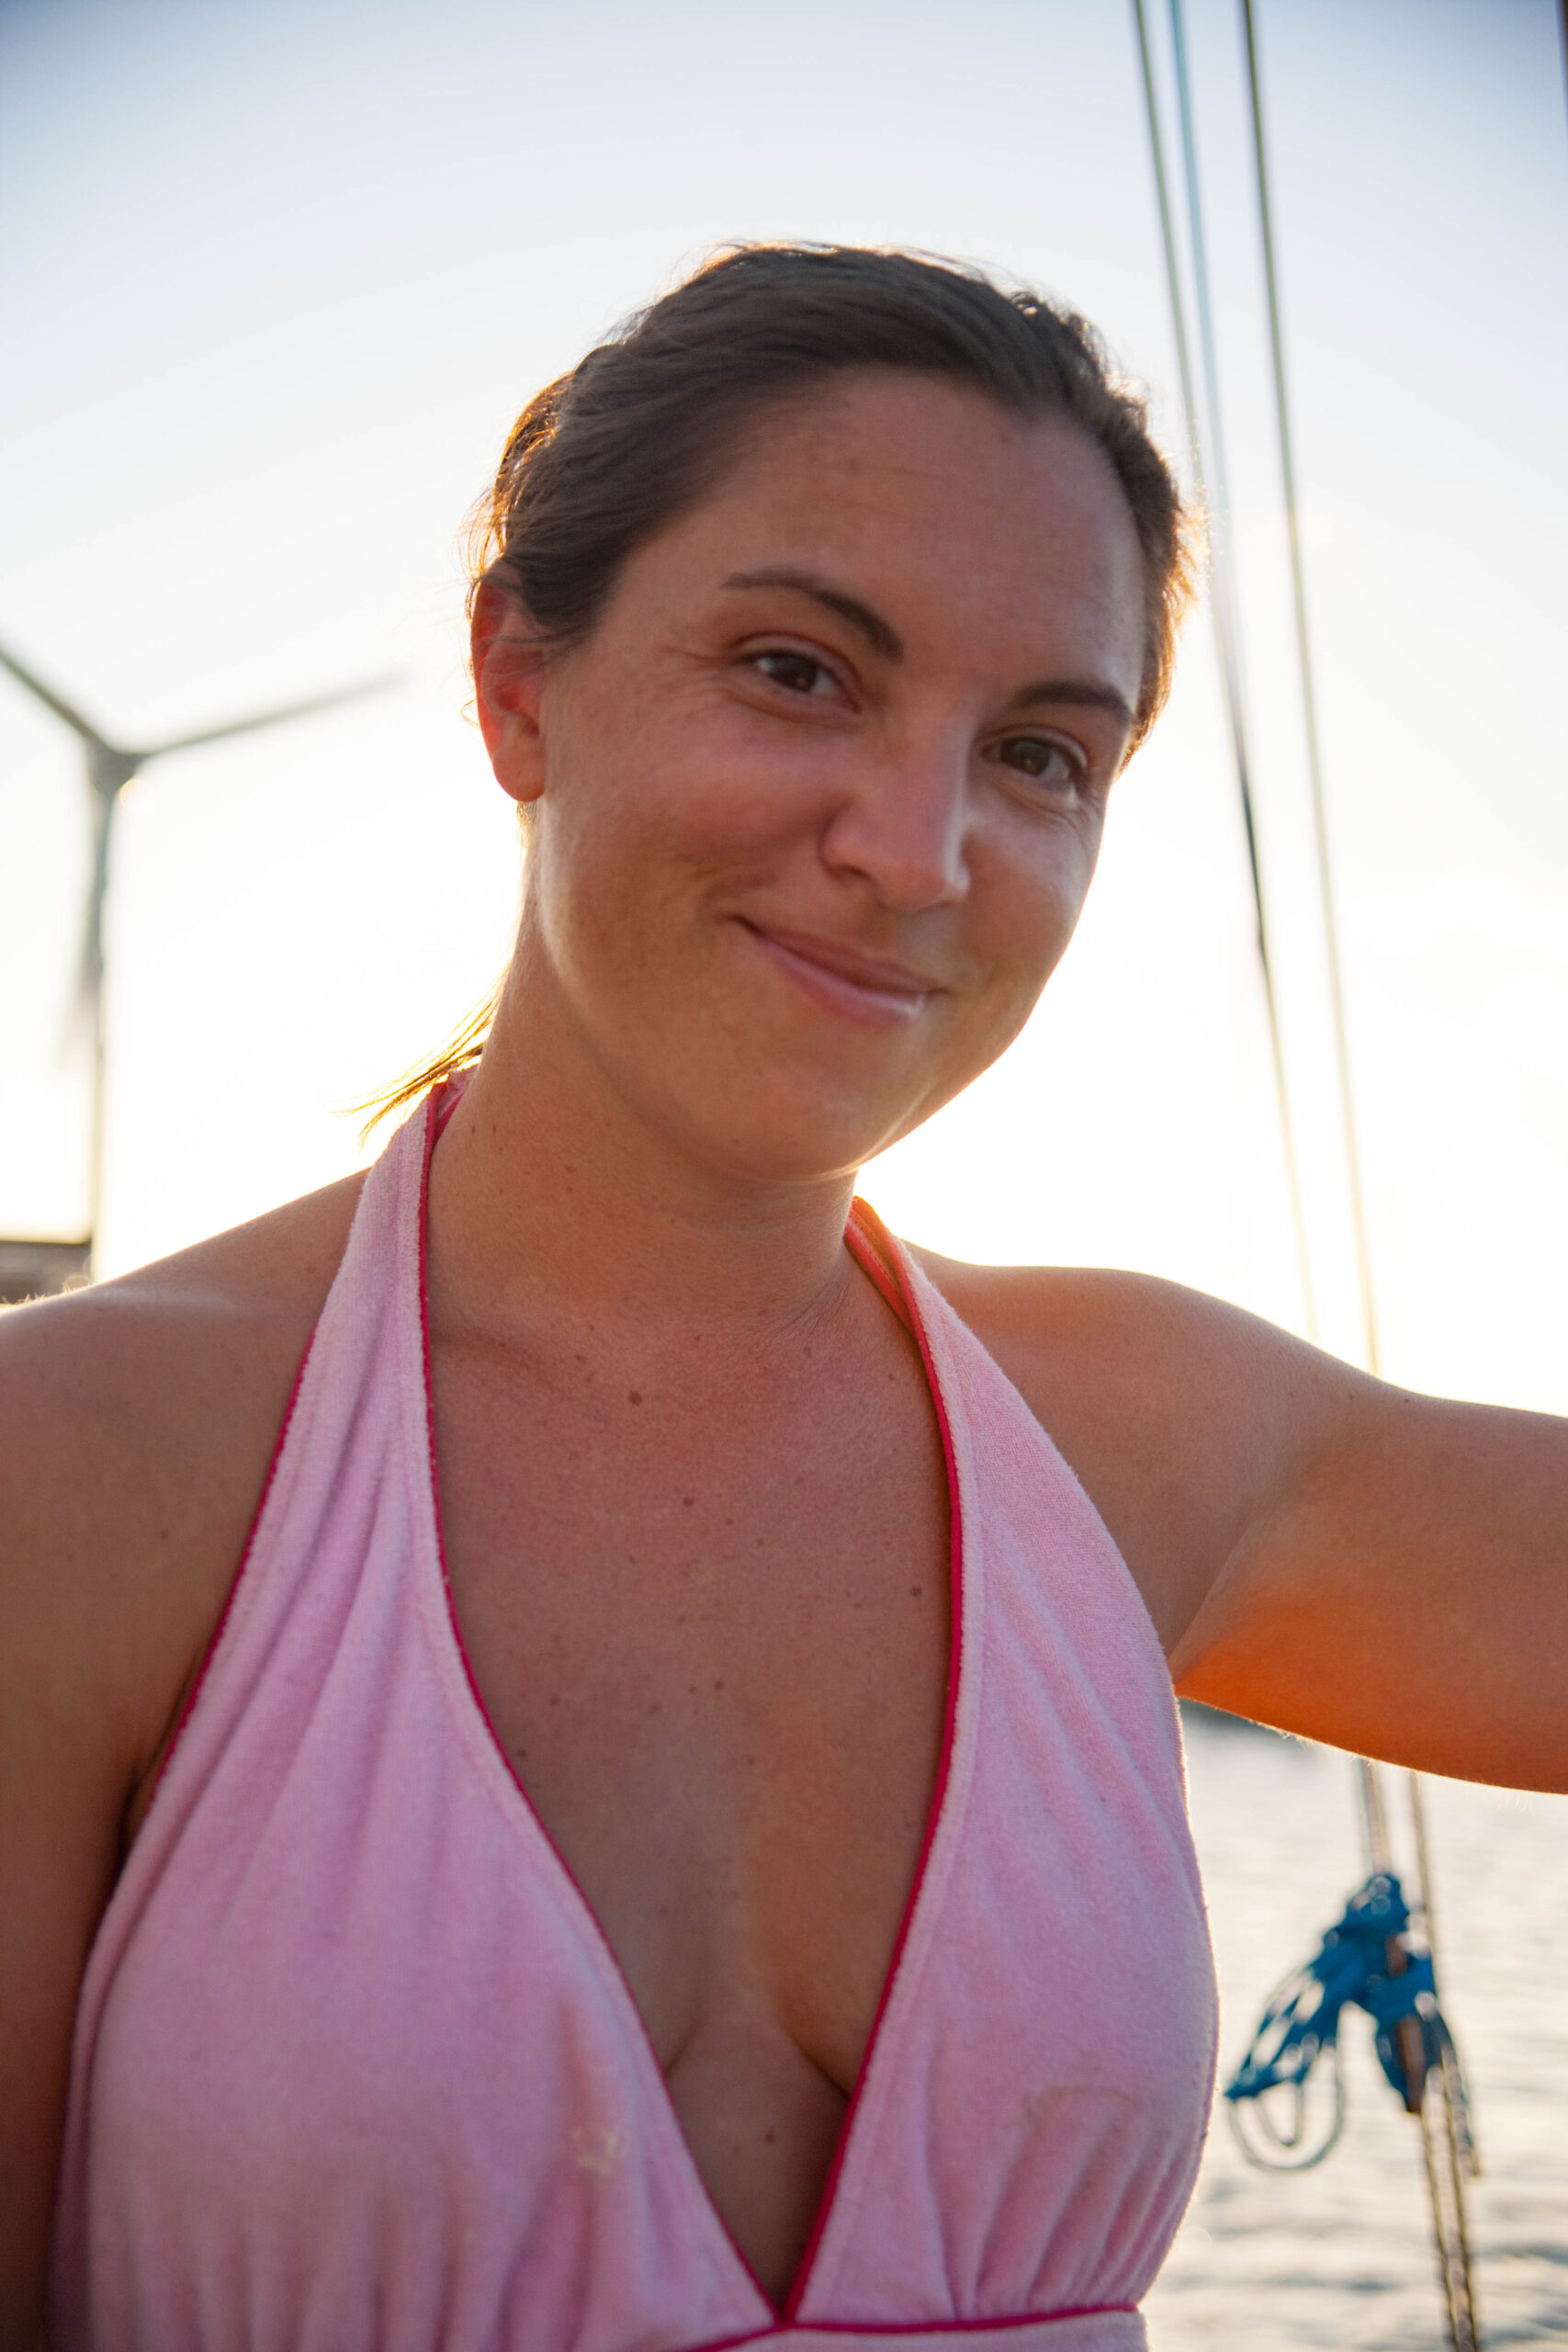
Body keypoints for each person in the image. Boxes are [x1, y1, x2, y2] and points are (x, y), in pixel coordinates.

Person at [1, 243, 1562, 2352]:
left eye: (1037, 753)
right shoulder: (78, 1470)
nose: (919, 849)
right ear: (515, 680)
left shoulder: (1138, 1435)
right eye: (797, 669)